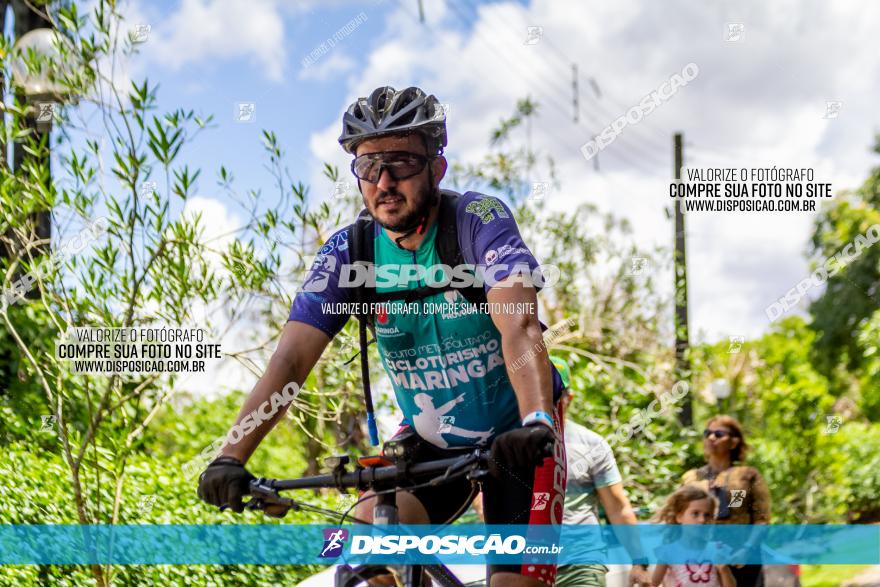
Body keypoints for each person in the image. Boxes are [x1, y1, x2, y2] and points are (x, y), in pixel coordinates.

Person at [197, 85, 568, 587]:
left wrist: (536, 420)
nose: (384, 181)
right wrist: (230, 456)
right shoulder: (351, 253)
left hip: (518, 431)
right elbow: (288, 364)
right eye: (368, 167)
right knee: (372, 552)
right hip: (432, 438)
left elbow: (520, 324)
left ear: (437, 169)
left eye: (401, 163)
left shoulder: (478, 221)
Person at [549, 357, 652, 587]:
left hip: (582, 562)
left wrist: (639, 562)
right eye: (543, 388)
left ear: (569, 398)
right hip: (525, 563)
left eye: (556, 391)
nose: (549, 398)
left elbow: (618, 508)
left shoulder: (592, 444)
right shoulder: (509, 441)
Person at [682, 415, 770, 587]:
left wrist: (747, 549)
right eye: (707, 433)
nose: (711, 438)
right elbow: (678, 519)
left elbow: (762, 520)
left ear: (733, 442)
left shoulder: (747, 476)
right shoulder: (691, 478)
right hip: (701, 560)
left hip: (741, 559)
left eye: (719, 434)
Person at [650, 485, 736, 587]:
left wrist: (723, 570)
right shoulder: (668, 552)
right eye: (695, 514)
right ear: (679, 517)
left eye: (707, 515)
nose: (702, 520)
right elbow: (653, 583)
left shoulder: (717, 549)